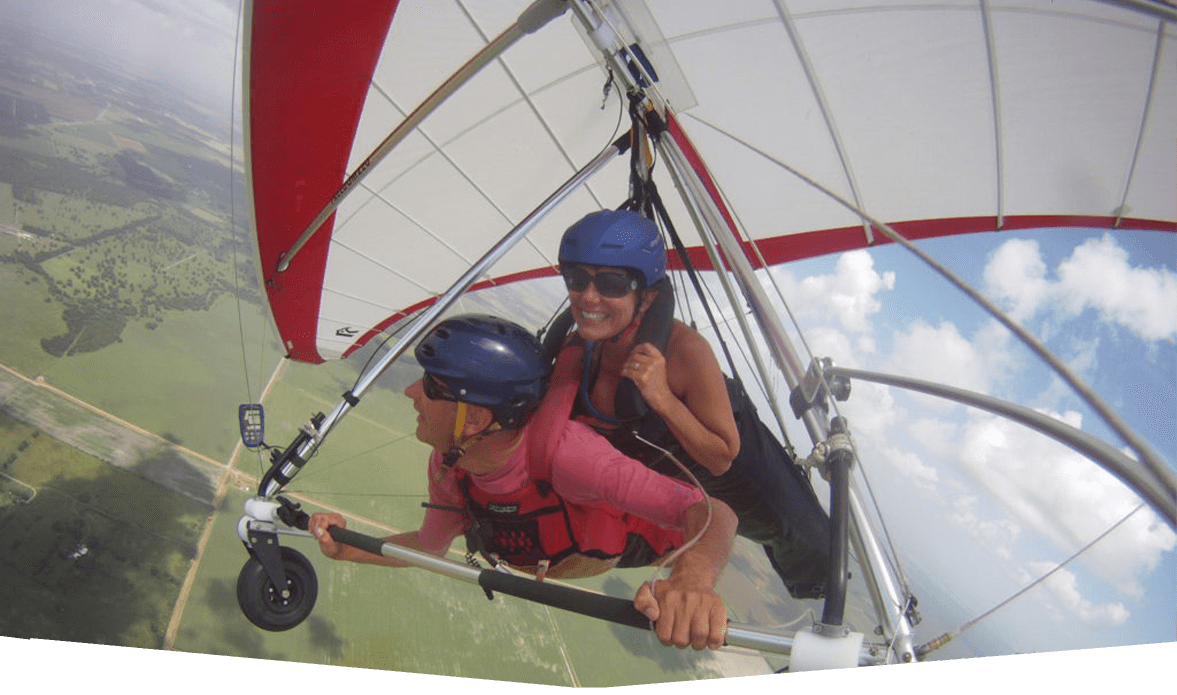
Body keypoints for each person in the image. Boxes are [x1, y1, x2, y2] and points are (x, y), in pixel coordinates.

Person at [308, 313, 737, 650]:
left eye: (431, 387)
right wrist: (348, 548)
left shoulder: (571, 456)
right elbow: (430, 546)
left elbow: (713, 513)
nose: (410, 393)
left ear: (473, 419)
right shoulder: (450, 464)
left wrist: (691, 582)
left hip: (606, 544)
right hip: (544, 545)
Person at [554, 208, 832, 600]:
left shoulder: (688, 352)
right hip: (667, 461)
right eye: (576, 279)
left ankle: (815, 583)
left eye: (612, 283)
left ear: (646, 296)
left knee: (802, 539)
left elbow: (721, 458)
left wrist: (663, 398)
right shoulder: (587, 341)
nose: (588, 296)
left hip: (733, 464)